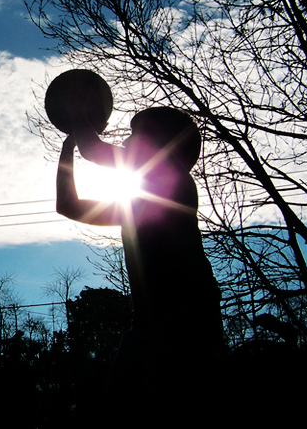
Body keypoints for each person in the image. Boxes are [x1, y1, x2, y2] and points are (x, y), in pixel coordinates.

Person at [56, 107, 224, 421]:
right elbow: (68, 206)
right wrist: (68, 150)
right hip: (148, 321)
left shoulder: (175, 183)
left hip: (188, 319)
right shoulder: (136, 205)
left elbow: (94, 150)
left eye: (137, 134)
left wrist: (76, 104)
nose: (129, 141)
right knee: (123, 411)